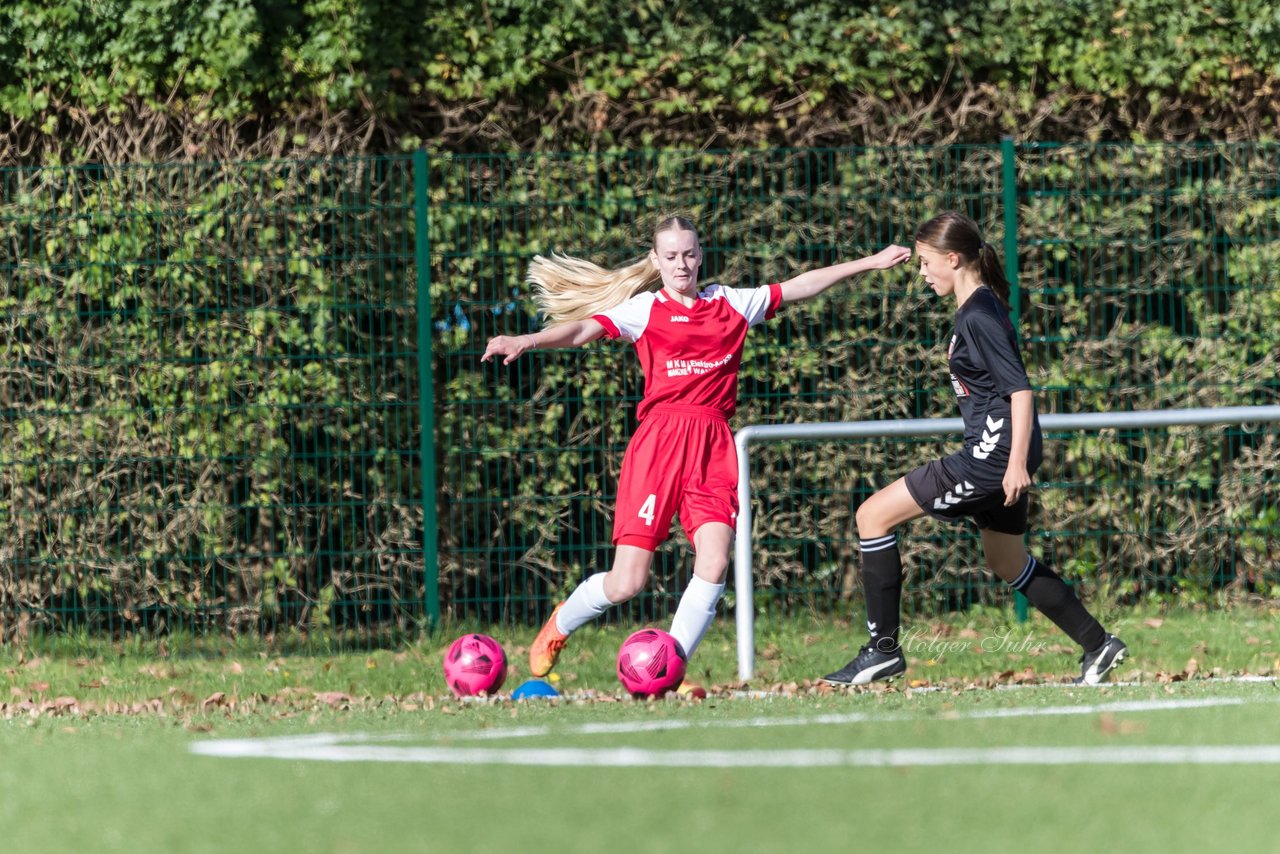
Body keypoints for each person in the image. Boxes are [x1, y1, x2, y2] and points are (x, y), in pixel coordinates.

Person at [483, 215, 912, 682]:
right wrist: (529, 338)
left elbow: (800, 286)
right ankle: (560, 624)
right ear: (656, 260)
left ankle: (669, 667)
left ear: (700, 254)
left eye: (688, 254)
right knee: (627, 582)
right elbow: (582, 330)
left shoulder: (730, 303)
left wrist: (870, 263)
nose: (681, 264)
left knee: (714, 561)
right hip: (659, 447)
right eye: (670, 256)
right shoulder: (645, 309)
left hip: (713, 447)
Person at [822, 211, 1128, 687]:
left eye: (925, 263)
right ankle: (1098, 643)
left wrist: (1013, 465)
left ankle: (881, 651)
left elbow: (1021, 391)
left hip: (991, 459)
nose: (922, 274)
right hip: (1000, 455)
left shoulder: (979, 314)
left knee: (871, 517)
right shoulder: (979, 308)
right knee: (1006, 561)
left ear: (953, 258)